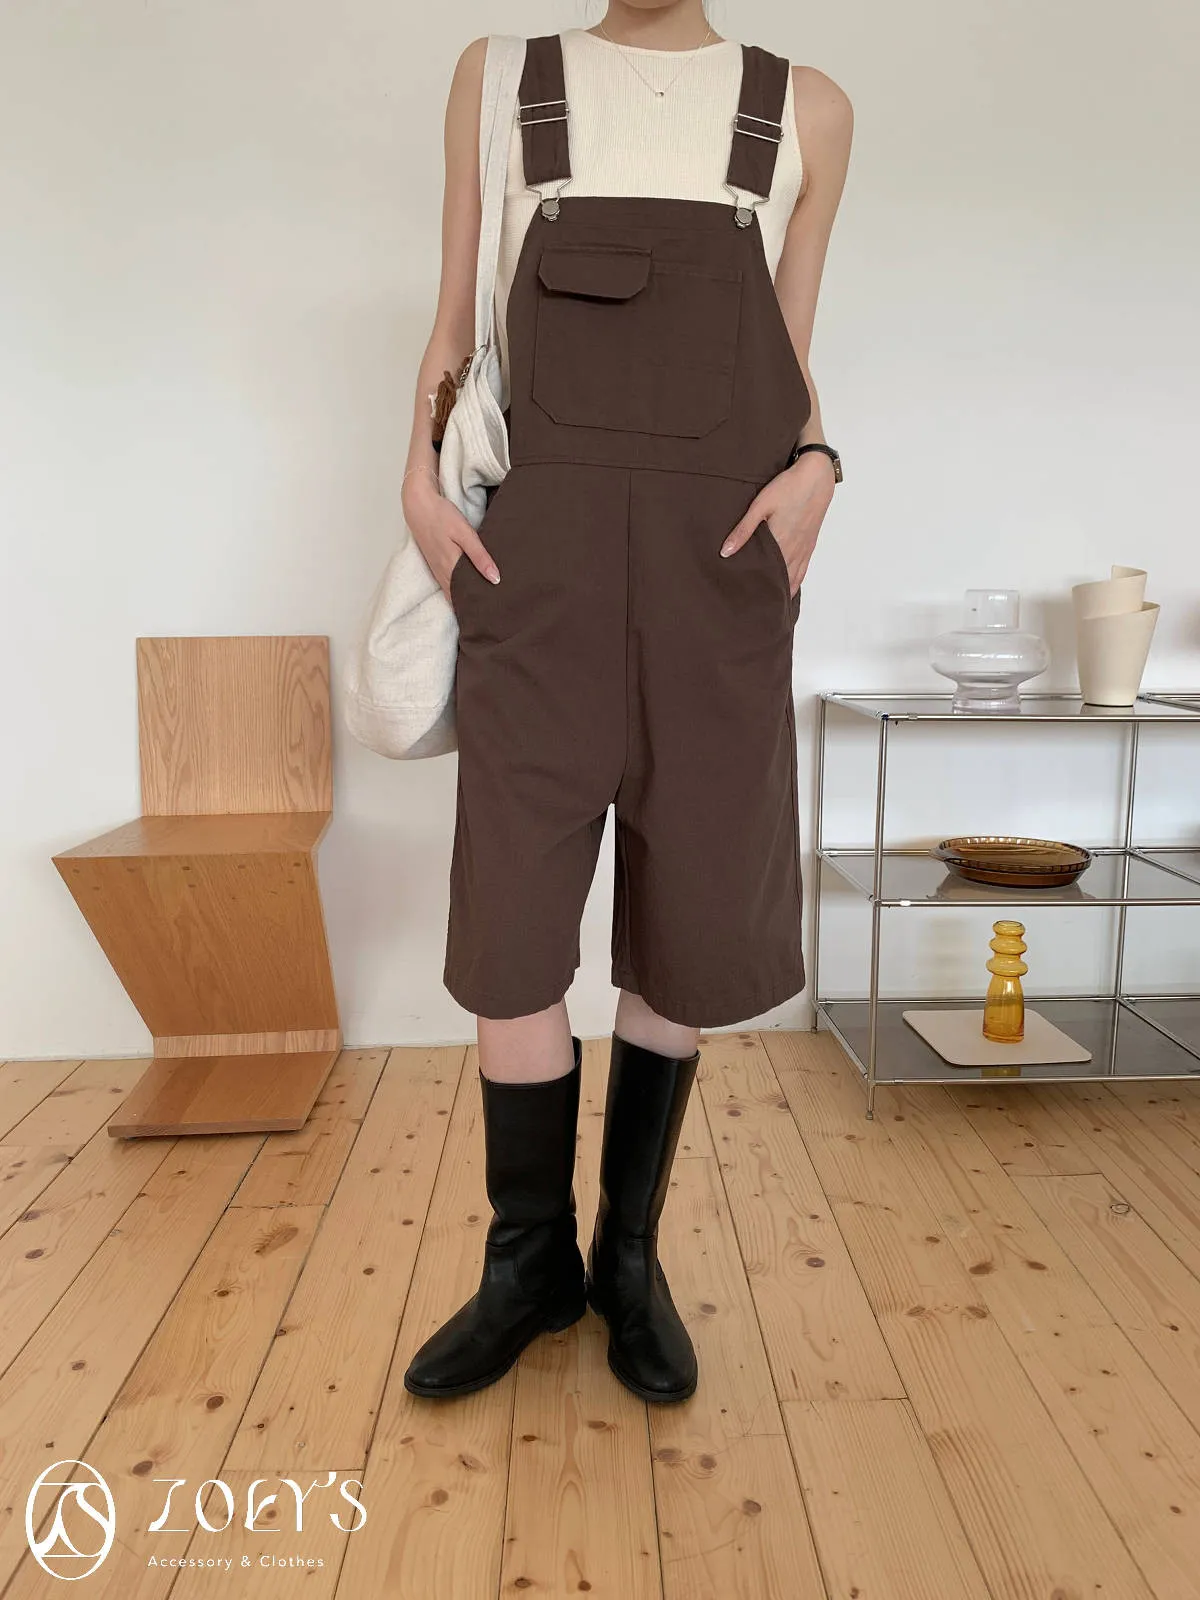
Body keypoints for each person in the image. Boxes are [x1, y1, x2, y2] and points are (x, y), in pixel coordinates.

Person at [400, 0, 852, 1403]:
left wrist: (822, 465)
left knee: (693, 915)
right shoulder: (501, 78)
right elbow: (458, 317)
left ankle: (628, 1260)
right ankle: (525, 1264)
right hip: (540, 567)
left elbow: (787, 350)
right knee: (512, 919)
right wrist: (416, 479)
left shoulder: (806, 108)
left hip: (720, 570)